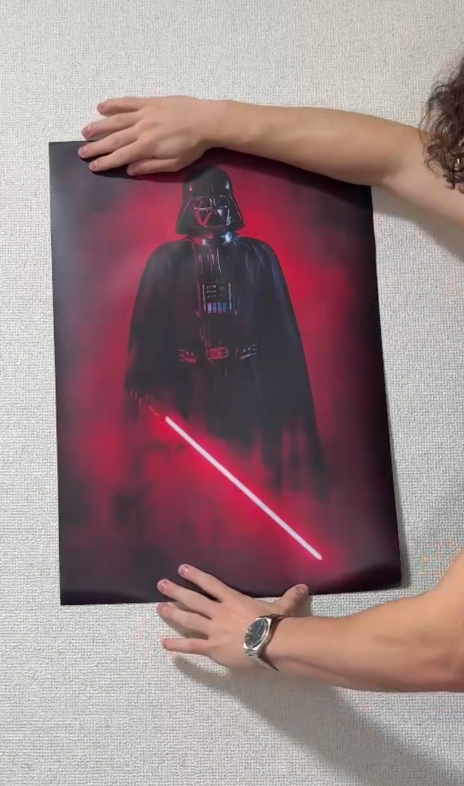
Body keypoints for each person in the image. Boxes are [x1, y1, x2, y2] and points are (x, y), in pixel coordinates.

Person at [78, 54, 464, 693]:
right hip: (193, 394)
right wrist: (211, 123)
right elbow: (401, 158)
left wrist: (264, 638)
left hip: (249, 392)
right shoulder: (170, 263)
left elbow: (449, 648)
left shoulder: (256, 258)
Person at [124, 164, 324, 492]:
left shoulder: (258, 255)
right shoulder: (166, 259)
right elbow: (147, 329)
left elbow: (280, 325)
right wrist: (141, 380)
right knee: (190, 479)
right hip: (188, 386)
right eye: (203, 204)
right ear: (188, 207)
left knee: (254, 472)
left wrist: (286, 387)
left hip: (249, 381)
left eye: (220, 202)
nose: (213, 211)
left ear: (232, 204)